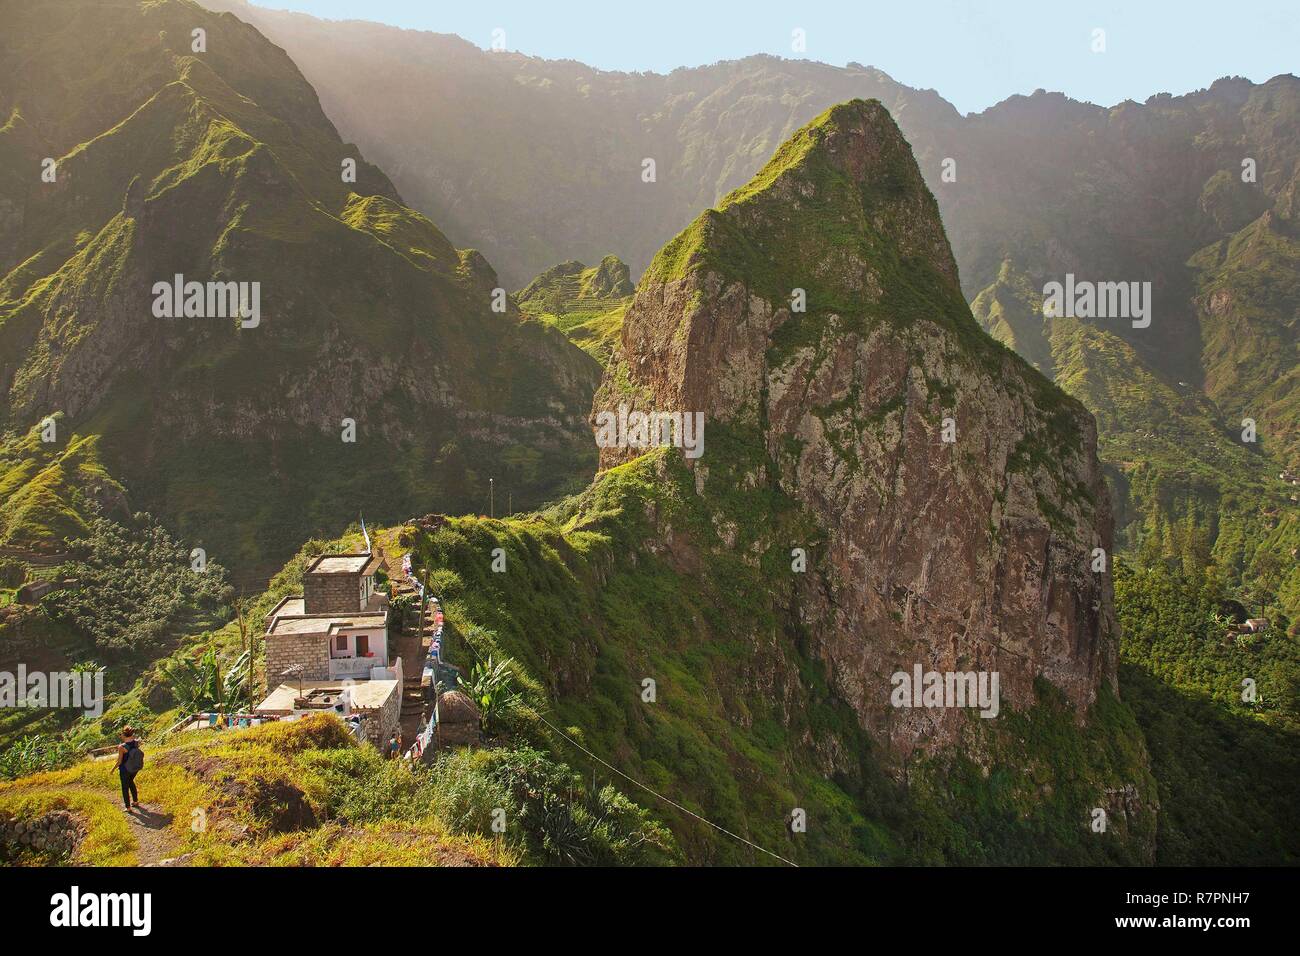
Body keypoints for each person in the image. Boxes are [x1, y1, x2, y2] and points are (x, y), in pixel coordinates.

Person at [115, 726, 143, 811]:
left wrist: (113, 769)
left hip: (125, 769)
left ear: (124, 735)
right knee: (131, 782)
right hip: (135, 768)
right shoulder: (136, 742)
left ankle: (128, 807)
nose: (121, 736)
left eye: (121, 734)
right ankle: (135, 801)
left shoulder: (121, 747)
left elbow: (119, 761)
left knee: (125, 787)